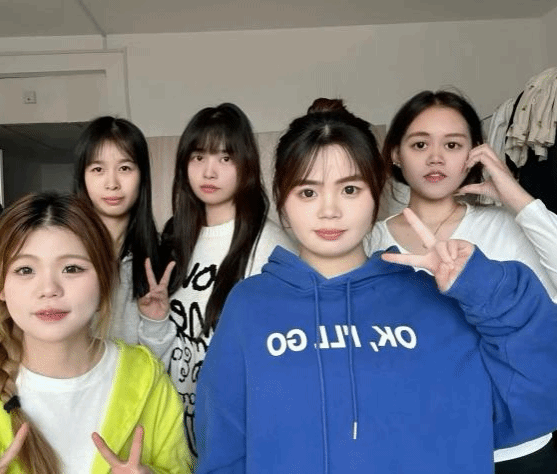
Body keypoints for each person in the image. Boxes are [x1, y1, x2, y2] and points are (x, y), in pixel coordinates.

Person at [194, 100, 557, 473]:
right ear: (282, 200)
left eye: (350, 189)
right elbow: (222, 449)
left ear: (376, 194)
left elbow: (534, 401)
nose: (329, 210)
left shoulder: (433, 298)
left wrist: (484, 285)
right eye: (308, 192)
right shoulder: (250, 306)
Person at [0, 193, 191, 474]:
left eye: (71, 268)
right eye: (25, 269)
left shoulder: (148, 380)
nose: (49, 289)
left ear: (104, 281)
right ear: (0, 285)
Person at [364, 90, 557, 471]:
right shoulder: (370, 241)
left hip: (517, 447)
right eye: (420, 144)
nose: (436, 157)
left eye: (452, 144)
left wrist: (516, 197)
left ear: (474, 153)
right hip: (421, 445)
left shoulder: (505, 225)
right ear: (396, 154)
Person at [160, 103, 295, 457]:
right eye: (198, 157)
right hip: (170, 427)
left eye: (225, 158)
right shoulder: (175, 237)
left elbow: (282, 359)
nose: (209, 171)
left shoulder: (270, 246)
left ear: (245, 164)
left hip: (235, 433)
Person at [0, 117, 175, 359]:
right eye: (98, 169)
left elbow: (157, 367)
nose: (112, 183)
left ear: (142, 176)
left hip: (127, 382)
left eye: (125, 168)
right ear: (82, 176)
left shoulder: (159, 257)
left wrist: (155, 323)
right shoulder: (48, 242)